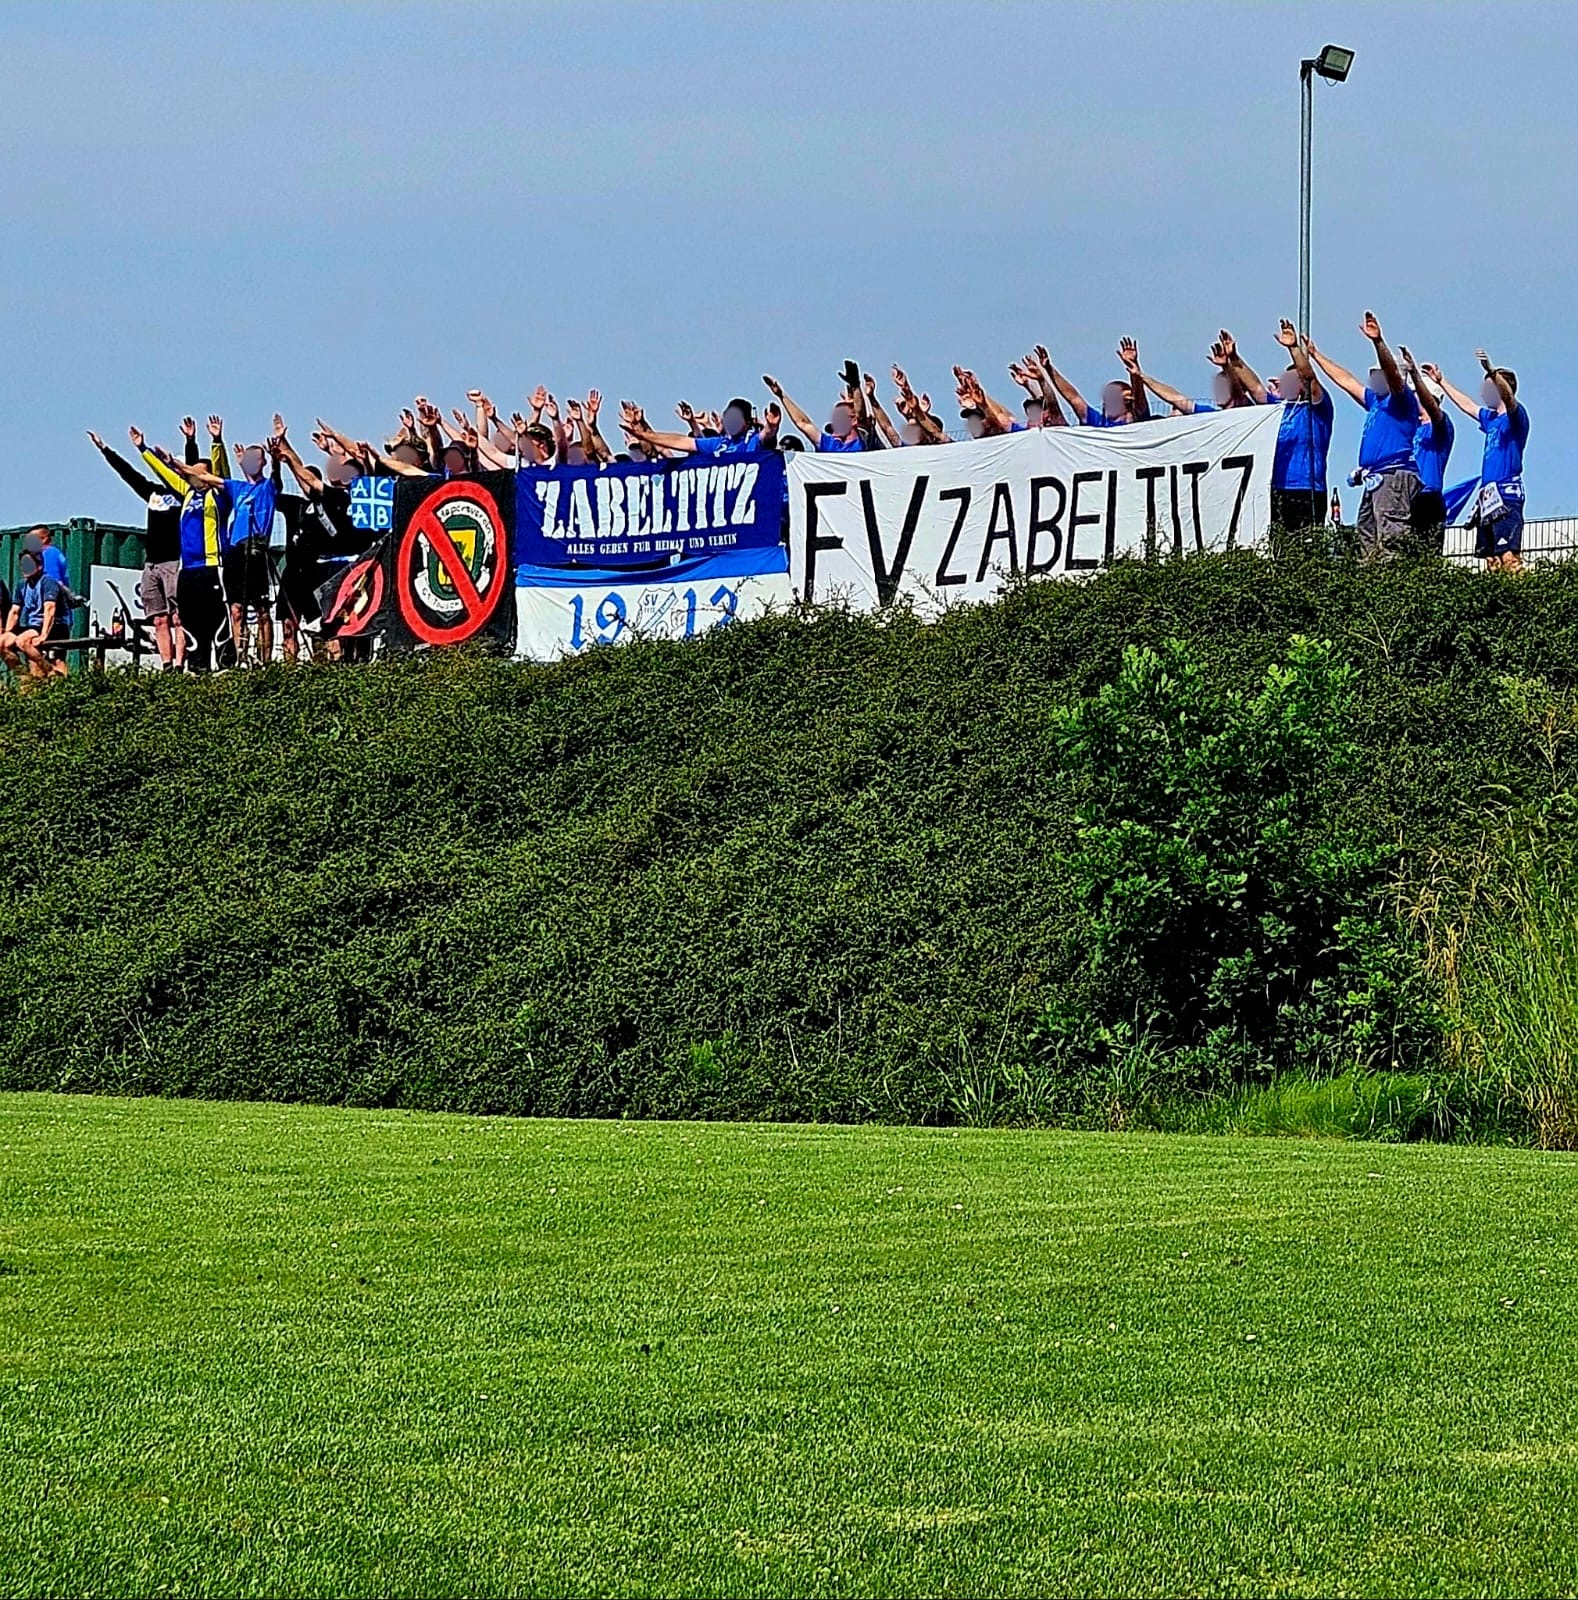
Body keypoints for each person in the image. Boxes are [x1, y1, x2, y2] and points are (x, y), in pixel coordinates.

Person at [1307, 311, 1420, 562]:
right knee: (1367, 536)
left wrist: (1378, 342)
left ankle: (1394, 586)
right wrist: (1316, 356)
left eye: (1378, 374)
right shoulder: (1375, 402)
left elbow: (1393, 375)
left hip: (1393, 475)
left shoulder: (1401, 400)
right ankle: (1371, 585)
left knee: (1391, 539)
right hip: (1375, 477)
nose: (1374, 379)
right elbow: (1346, 380)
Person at [135, 415, 232, 671]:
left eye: (199, 472)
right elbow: (165, 474)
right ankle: (198, 668)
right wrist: (143, 450)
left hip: (212, 566)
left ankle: (225, 666)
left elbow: (222, 471)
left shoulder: (220, 496)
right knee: (190, 620)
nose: (193, 475)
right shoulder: (187, 493)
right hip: (187, 569)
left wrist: (216, 441)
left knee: (218, 618)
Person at [175, 431, 279, 665]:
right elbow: (207, 478)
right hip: (234, 553)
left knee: (262, 610)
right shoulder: (237, 488)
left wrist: (277, 458)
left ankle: (265, 661)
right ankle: (240, 657)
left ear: (263, 462)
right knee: (235, 609)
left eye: (257, 458)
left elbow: (277, 475)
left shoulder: (269, 487)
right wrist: (174, 463)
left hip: (257, 551)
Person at [86, 427, 185, 668]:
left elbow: (193, 470)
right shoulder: (152, 493)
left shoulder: (185, 495)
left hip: (174, 561)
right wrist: (105, 450)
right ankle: (167, 664)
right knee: (159, 618)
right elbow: (128, 474)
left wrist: (185, 446)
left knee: (178, 617)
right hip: (152, 563)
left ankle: (181, 663)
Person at [1427, 350, 1529, 572]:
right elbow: (1467, 406)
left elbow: (1510, 400)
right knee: (1491, 559)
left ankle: (1523, 598)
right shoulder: (1490, 420)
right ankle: (1499, 600)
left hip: (1507, 494)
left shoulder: (1516, 418)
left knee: (1509, 555)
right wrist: (1441, 381)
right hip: (1488, 497)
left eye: (1488, 389)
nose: (1483, 394)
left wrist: (1491, 371)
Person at [1266, 320, 1335, 533]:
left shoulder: (1318, 407)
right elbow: (1254, 389)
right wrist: (1232, 361)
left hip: (1308, 490)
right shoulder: (1279, 410)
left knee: (1305, 549)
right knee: (1280, 551)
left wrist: (1293, 348)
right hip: (1278, 489)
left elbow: (1310, 378)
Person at [1397, 345, 1454, 555]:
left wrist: (1415, 376)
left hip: (1427, 498)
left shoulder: (1441, 427)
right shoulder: (1410, 429)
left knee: (1427, 557)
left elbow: (1432, 409)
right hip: (1405, 497)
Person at [620, 396, 781, 458]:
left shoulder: (752, 442)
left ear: (747, 422)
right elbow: (680, 442)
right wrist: (643, 435)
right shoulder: (719, 444)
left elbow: (766, 435)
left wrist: (772, 426)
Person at [0, 546, 66, 683]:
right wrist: (7, 632)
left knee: (22, 641)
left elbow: (50, 609)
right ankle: (25, 679)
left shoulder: (48, 582)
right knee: (2, 643)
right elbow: (14, 611)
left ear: (40, 565)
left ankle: (51, 672)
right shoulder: (21, 585)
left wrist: (43, 635)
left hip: (54, 626)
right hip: (33, 626)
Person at [1047, 341, 1152, 427]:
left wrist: (1134, 373)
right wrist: (1049, 369)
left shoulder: (1138, 421)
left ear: (1127, 400)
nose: (1107, 402)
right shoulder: (1099, 423)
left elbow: (1139, 398)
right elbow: (1074, 398)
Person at [762, 376, 869, 452]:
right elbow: (803, 423)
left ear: (853, 421)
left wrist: (856, 387)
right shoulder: (829, 445)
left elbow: (862, 418)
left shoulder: (864, 442)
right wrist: (781, 396)